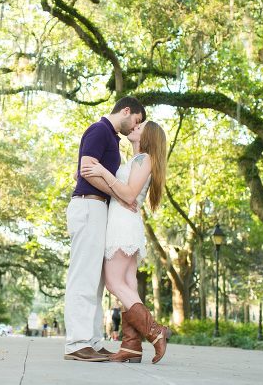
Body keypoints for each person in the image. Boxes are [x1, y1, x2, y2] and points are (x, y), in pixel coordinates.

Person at [63, 97, 146, 362]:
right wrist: (120, 195)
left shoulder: (112, 139)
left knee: (96, 281)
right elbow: (87, 172)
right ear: (126, 111)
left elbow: (90, 172)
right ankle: (76, 343)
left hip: (100, 210)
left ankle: (92, 340)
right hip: (88, 206)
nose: (136, 126)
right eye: (137, 120)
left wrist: (117, 194)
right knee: (83, 276)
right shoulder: (99, 130)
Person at [80, 120, 169, 364]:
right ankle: (131, 346)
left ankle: (154, 330)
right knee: (128, 285)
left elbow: (129, 194)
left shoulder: (144, 159)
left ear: (148, 135)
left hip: (123, 223)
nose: (134, 128)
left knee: (113, 282)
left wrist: (102, 172)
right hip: (125, 221)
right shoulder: (138, 160)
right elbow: (126, 192)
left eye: (140, 127)